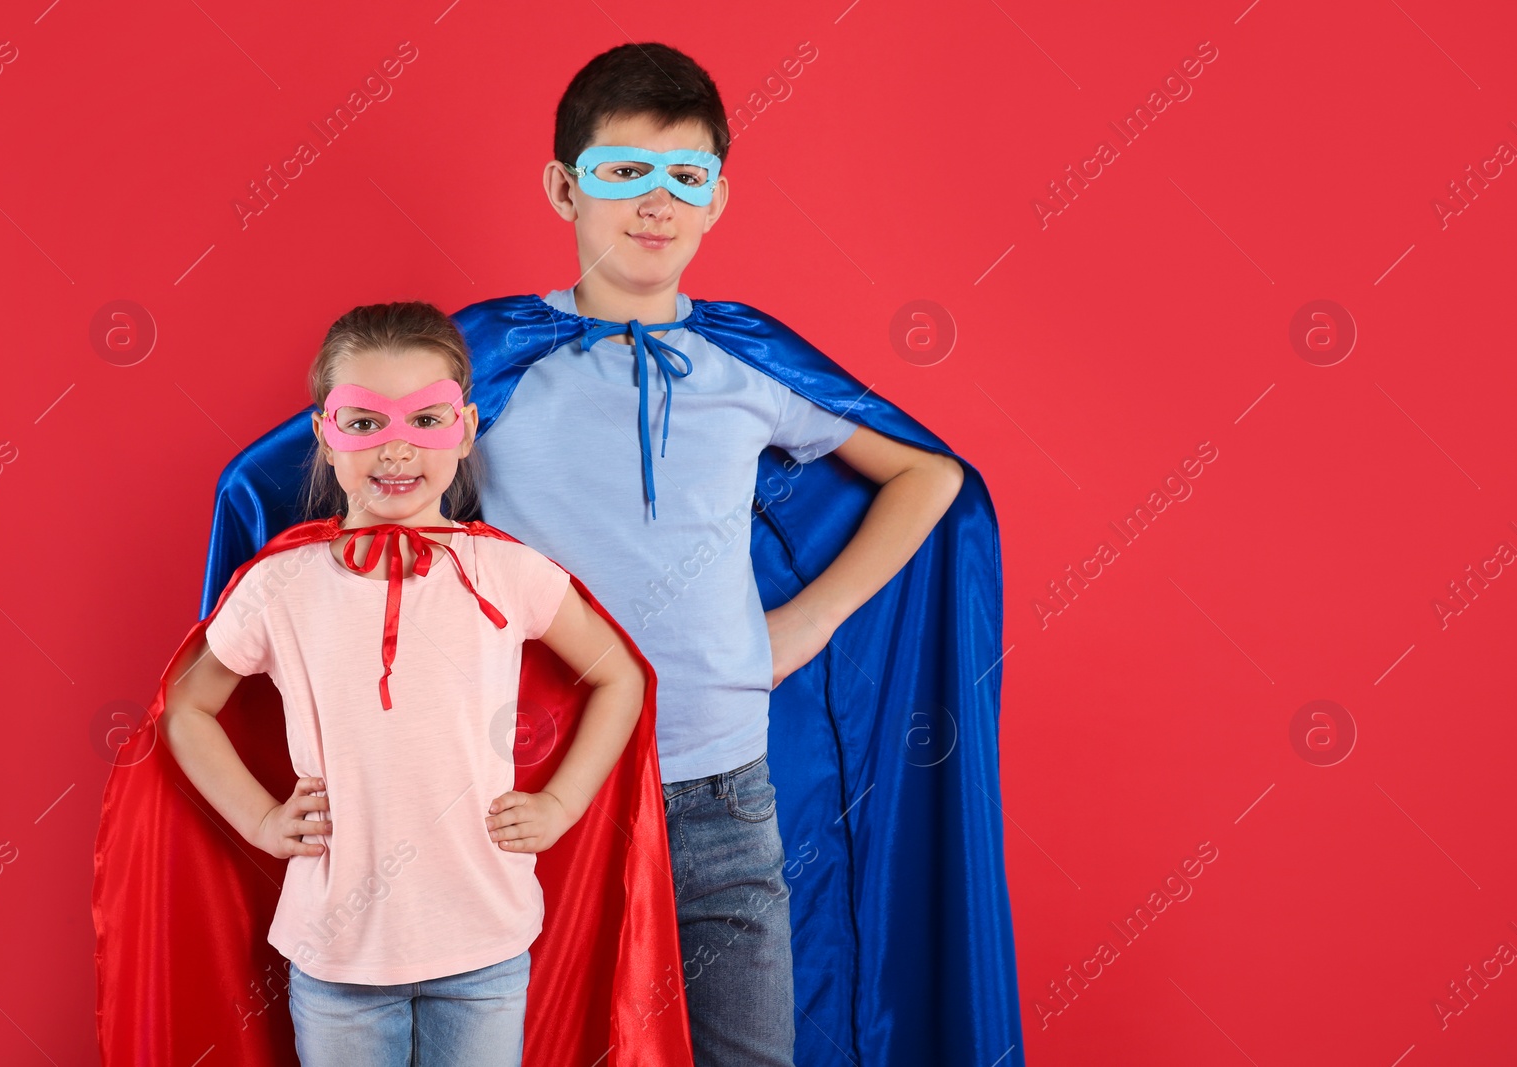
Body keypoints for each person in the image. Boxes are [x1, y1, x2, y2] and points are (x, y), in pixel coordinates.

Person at [197, 44, 1024, 1067]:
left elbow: (927, 476)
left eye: (685, 177)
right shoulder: (487, 361)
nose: (654, 203)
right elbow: (324, 468)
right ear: (562, 187)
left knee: (749, 1052)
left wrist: (801, 624)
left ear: (718, 198)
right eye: (621, 172)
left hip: (721, 790)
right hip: (540, 791)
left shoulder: (747, 362)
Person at [93, 303, 695, 1067]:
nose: (397, 449)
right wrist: (261, 821)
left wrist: (561, 802)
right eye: (365, 422)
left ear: (467, 427)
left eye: (426, 419)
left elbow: (620, 676)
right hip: (337, 952)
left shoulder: (505, 571)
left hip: (485, 941)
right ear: (324, 432)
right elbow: (186, 707)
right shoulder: (281, 585)